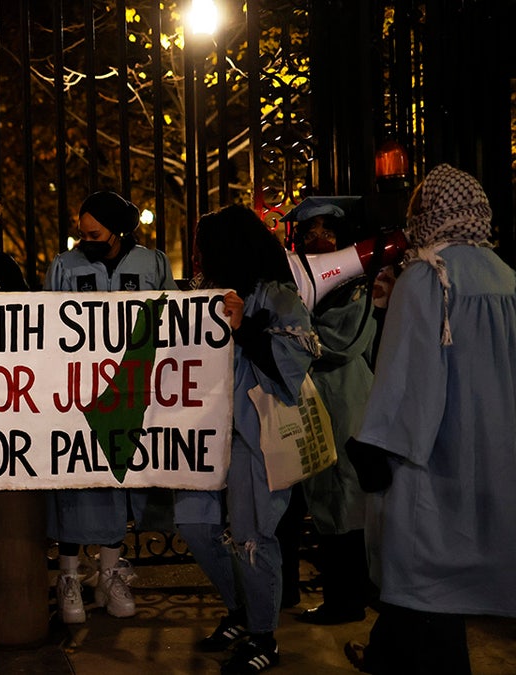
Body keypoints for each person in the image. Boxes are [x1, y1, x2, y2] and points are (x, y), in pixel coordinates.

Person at [342, 165, 516, 674]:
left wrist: (374, 445)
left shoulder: (428, 279)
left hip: (434, 459)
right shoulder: (507, 278)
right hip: (496, 455)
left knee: (426, 585)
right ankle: (385, 654)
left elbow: (405, 381)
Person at [181, 204, 319, 674]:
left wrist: (244, 331)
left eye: (208, 249)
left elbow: (294, 363)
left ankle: (263, 634)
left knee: (252, 535)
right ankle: (240, 611)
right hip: (203, 433)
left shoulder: (277, 295)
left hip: (254, 436)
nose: (201, 259)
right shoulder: (203, 293)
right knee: (195, 524)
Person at [42, 190, 176, 625]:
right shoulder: (65, 266)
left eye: (95, 233)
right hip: (79, 394)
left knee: (120, 474)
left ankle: (109, 573)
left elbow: (174, 319)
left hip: (133, 392)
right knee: (76, 478)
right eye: (82, 234)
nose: (86, 240)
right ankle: (67, 577)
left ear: (119, 231)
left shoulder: (153, 264)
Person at [276, 197, 375, 625]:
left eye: (326, 230)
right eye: (309, 232)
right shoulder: (298, 282)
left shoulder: (353, 286)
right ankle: (297, 592)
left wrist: (288, 333)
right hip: (309, 403)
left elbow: (336, 342)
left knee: (343, 501)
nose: (319, 239)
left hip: (341, 403)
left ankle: (347, 601)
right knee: (314, 500)